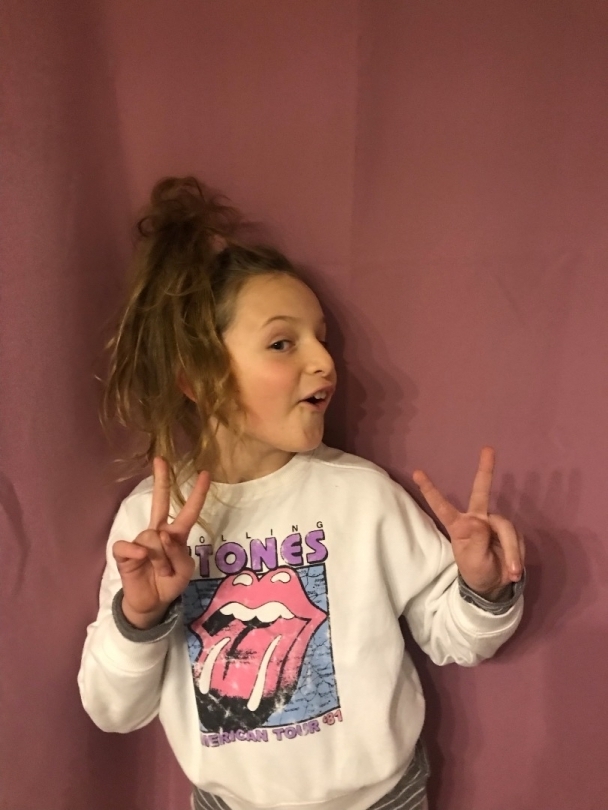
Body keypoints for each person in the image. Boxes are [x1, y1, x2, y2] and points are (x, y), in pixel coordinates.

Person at [78, 176, 525, 810]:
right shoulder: (148, 525)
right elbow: (112, 710)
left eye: (322, 339)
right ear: (196, 377)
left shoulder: (362, 497)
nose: (323, 362)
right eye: (282, 343)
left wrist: (484, 588)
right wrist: (140, 617)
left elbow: (456, 637)